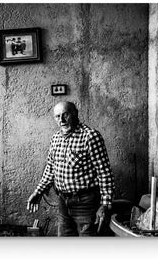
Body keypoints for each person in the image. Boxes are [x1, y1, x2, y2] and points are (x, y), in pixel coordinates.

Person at [27, 101, 115, 236]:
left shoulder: (90, 136)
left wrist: (105, 204)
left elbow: (104, 172)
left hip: (86, 203)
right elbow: (51, 168)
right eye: (57, 116)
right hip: (63, 202)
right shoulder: (56, 138)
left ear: (75, 114)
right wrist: (38, 192)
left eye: (65, 114)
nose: (61, 120)